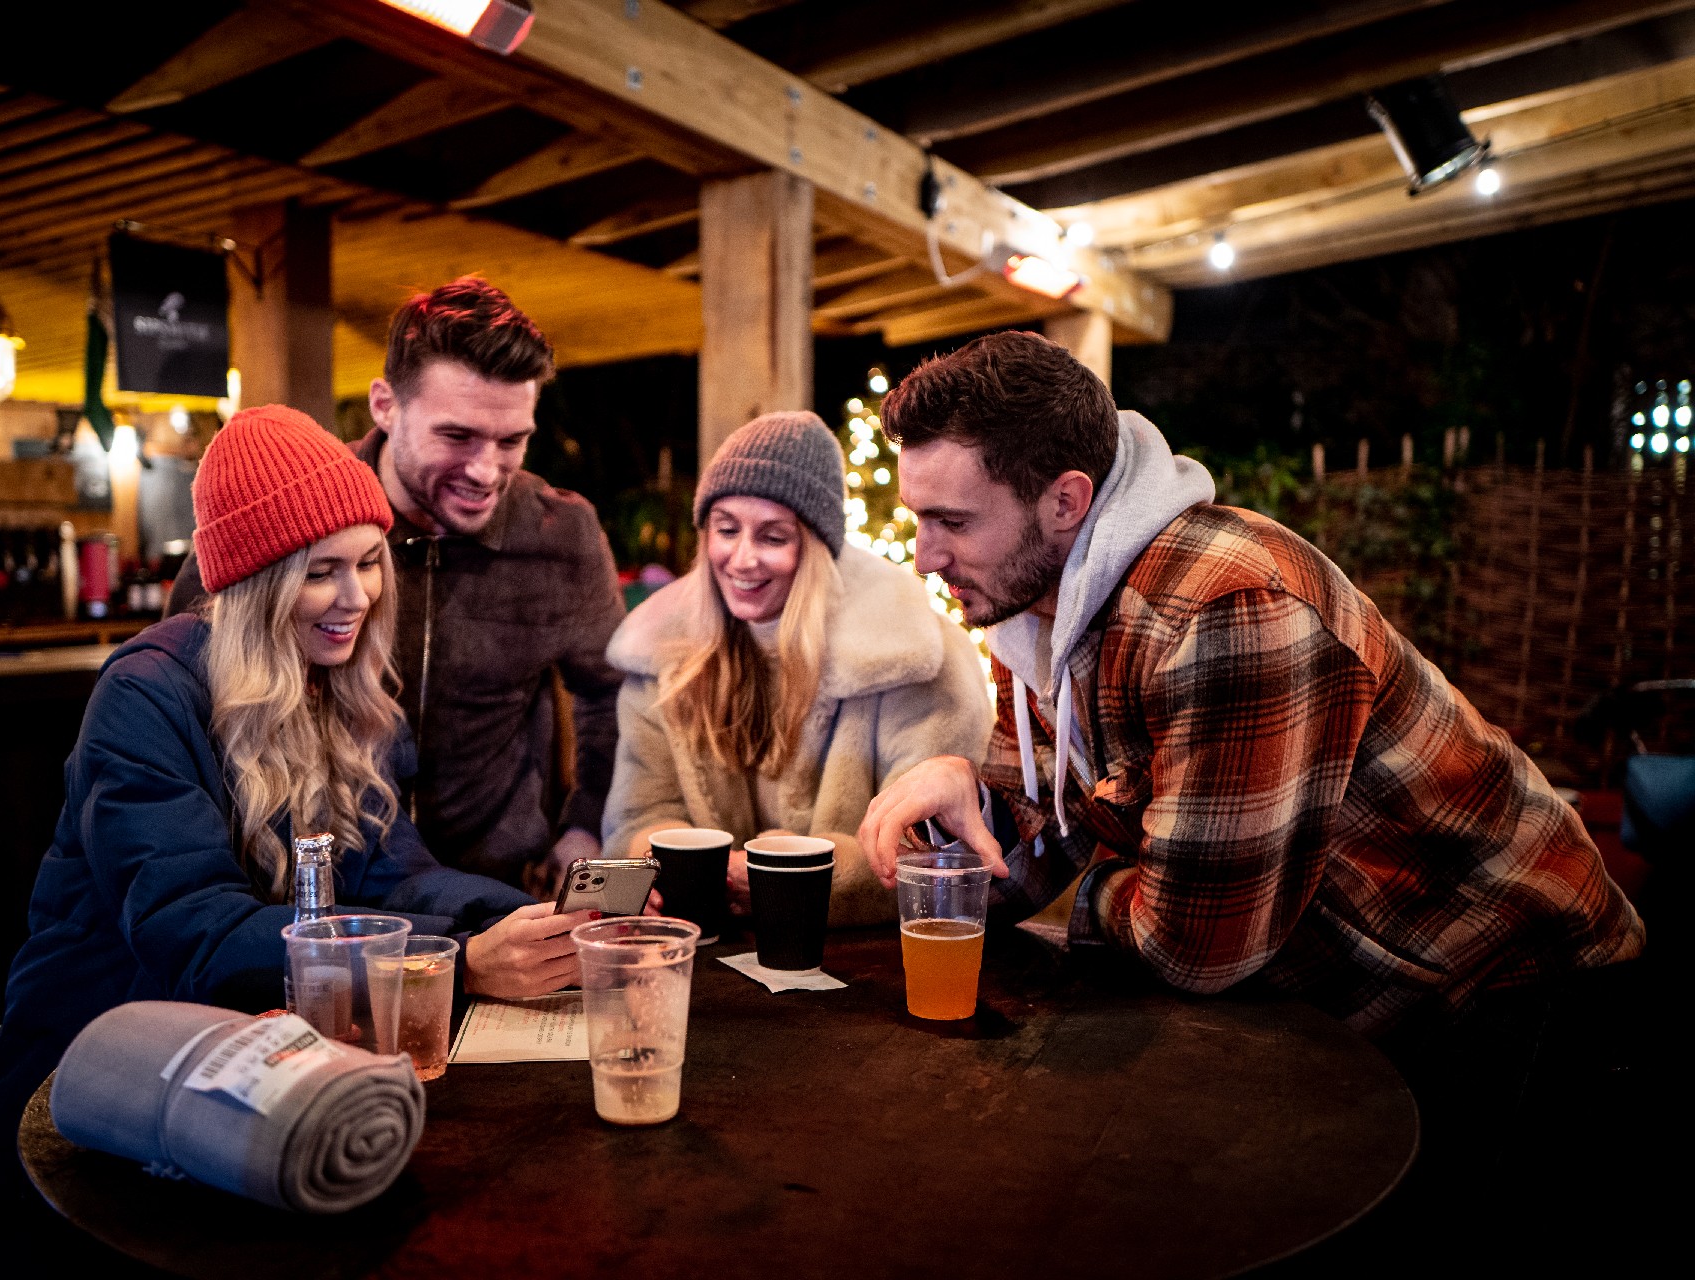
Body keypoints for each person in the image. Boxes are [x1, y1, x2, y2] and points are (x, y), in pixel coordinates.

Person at [855, 330, 1649, 1262]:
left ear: (1066, 500)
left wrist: (1086, 885)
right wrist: (970, 807)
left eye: (951, 521)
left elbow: (1193, 949)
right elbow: (1037, 835)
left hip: (1503, 990)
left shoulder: (1228, 610)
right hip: (1346, 991)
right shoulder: (1041, 610)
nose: (923, 557)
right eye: (920, 520)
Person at [0, 405, 583, 1276]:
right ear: (256, 580)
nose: (357, 598)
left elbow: (400, 873)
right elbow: (192, 930)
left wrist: (539, 920)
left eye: (369, 563)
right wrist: (453, 964)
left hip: (254, 1065)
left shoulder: (338, 688)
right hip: (92, 1101)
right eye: (322, 572)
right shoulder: (147, 695)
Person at [167, 278, 625, 896]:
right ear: (385, 404)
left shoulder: (561, 531)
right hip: (309, 896)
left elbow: (611, 694)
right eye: (456, 436)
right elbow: (188, 691)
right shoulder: (281, 516)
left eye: (512, 440)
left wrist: (584, 827)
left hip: (495, 890)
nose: (487, 471)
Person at [603, 411, 993, 925]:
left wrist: (799, 875)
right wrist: (657, 864)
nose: (742, 559)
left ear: (813, 547)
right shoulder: (662, 658)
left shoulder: (912, 658)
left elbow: (933, 848)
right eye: (726, 529)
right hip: (708, 950)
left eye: (772, 537)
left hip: (868, 962)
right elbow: (638, 812)